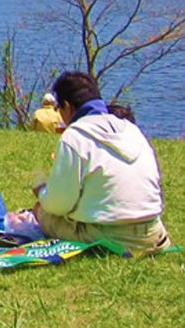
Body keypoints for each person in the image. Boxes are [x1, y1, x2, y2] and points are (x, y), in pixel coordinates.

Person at [33, 71, 172, 256]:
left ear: (68, 106)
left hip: (108, 237)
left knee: (42, 212)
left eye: (59, 109)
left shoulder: (75, 136)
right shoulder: (131, 129)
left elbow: (60, 204)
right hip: (154, 234)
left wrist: (43, 192)